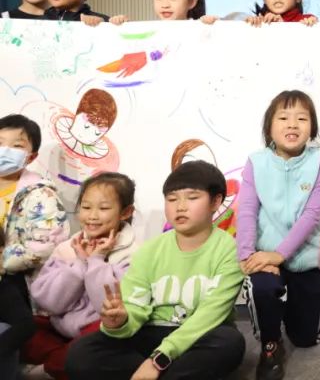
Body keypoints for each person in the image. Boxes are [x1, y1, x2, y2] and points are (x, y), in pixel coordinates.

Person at [64, 161, 246, 380]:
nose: (180, 207)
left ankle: (153, 373)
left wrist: (159, 359)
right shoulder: (151, 249)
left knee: (229, 342)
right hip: (151, 330)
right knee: (81, 353)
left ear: (215, 201)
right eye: (172, 199)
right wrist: (120, 322)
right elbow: (134, 305)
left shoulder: (230, 250)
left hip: (199, 334)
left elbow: (210, 315)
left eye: (192, 197)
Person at [238, 91, 320, 380]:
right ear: (269, 128)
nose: (292, 124)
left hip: (304, 257)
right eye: (283, 118)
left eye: (302, 118)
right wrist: (247, 256)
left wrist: (281, 254)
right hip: (266, 257)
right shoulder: (256, 162)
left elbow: (312, 215)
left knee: (305, 338)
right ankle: (270, 343)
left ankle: (296, 315)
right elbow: (247, 211)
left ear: (312, 129)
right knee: (263, 289)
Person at [26, 173, 138, 380]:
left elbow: (107, 306)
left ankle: (50, 369)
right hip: (60, 329)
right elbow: (51, 304)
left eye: (103, 208)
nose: (92, 216)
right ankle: (60, 363)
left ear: (125, 212)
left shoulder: (134, 255)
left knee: (91, 347)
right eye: (86, 207)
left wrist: (96, 260)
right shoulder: (68, 247)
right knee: (23, 328)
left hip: (99, 333)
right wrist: (79, 264)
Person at [0, 114, 68, 373]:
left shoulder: (41, 193)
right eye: (0, 142)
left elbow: (48, 244)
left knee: (19, 326)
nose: (5, 150)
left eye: (16, 145)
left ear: (31, 155)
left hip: (14, 280)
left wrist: (4, 260)